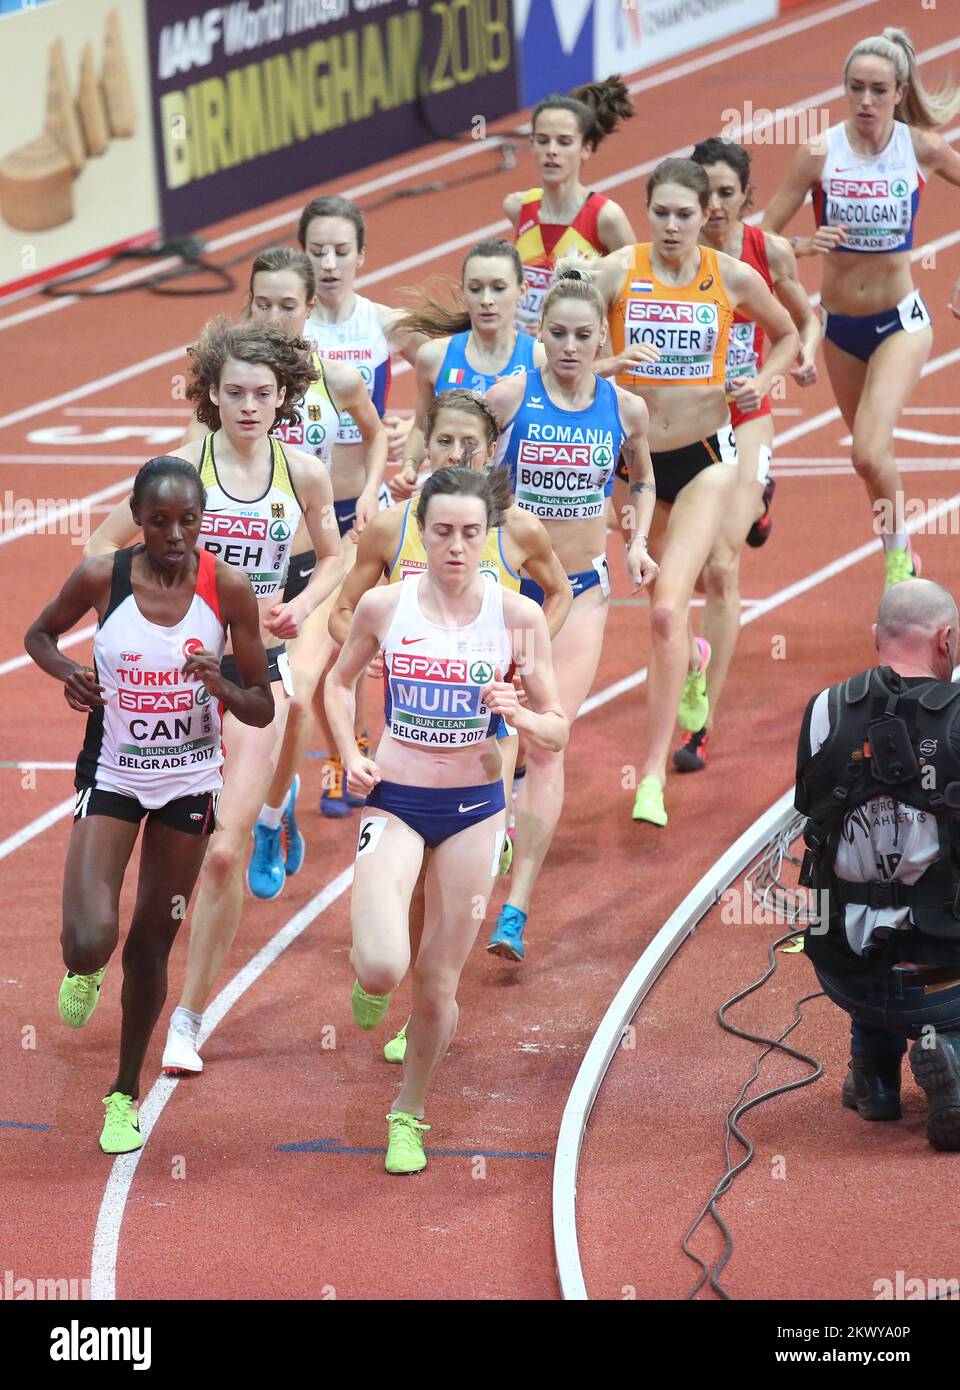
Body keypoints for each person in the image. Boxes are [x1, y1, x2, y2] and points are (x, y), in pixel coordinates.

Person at [85, 319, 342, 1077]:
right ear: (210, 395)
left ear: (284, 396)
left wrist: (307, 601)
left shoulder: (303, 473)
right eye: (234, 392)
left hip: (253, 673)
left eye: (263, 393)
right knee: (143, 833)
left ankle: (188, 1018)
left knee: (222, 853)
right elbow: (100, 549)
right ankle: (93, 944)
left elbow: (337, 554)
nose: (249, 406)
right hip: (168, 676)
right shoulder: (179, 468)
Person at [25, 458, 274, 1152]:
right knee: (88, 940)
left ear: (202, 521)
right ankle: (85, 965)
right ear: (138, 518)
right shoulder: (103, 578)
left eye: (186, 521)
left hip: (189, 786)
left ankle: (122, 1093)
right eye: (158, 520)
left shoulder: (226, 589)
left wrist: (219, 684)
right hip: (113, 774)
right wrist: (70, 674)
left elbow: (261, 706)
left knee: (151, 944)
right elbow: (38, 635)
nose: (173, 534)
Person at [325, 466, 568, 1173]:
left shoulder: (518, 617)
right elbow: (336, 685)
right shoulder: (383, 606)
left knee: (436, 980)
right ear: (421, 533)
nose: (456, 547)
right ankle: (369, 981)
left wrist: (517, 711)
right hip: (397, 798)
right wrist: (349, 753)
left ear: (487, 536)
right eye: (442, 533)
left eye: (470, 533)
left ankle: (409, 1113)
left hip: (474, 811)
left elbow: (554, 731)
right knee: (380, 966)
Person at [579, 157, 799, 827]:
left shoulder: (730, 277)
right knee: (659, 601)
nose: (672, 226)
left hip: (707, 459)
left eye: (685, 214)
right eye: (661, 214)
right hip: (633, 464)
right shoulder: (616, 271)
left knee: (669, 610)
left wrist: (761, 383)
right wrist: (607, 364)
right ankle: (692, 671)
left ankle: (651, 776)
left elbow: (789, 331)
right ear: (647, 214)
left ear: (707, 214)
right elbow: (553, 338)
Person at [180, 248, 387, 895]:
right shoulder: (232, 389)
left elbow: (376, 434)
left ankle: (271, 820)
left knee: (297, 694)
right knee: (247, 708)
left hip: (313, 566)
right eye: (261, 303)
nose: (272, 316)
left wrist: (374, 491)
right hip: (246, 574)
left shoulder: (336, 380)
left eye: (286, 305)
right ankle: (244, 800)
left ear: (310, 309)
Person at [482, 269, 658, 961]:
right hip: (509, 590)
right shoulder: (510, 399)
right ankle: (491, 834)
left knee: (548, 741)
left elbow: (639, 479)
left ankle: (517, 909)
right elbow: (468, 469)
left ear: (602, 339)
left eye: (585, 335)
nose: (571, 346)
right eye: (557, 333)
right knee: (495, 728)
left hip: (581, 590)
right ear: (539, 335)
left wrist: (638, 542)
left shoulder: (627, 409)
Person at [762, 27, 960, 589]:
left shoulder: (919, 147)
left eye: (878, 90)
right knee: (869, 460)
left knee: (870, 451)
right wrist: (802, 263)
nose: (866, 101)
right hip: (840, 327)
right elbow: (766, 240)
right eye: (856, 89)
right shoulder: (820, 153)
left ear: (899, 93)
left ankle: (898, 563)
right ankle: (901, 549)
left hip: (901, 321)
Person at [670, 137, 820, 774]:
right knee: (692, 574)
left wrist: (794, 359)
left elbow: (801, 319)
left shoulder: (767, 251)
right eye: (704, 195)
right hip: (687, 425)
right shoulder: (673, 259)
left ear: (744, 198)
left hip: (747, 415)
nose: (712, 208)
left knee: (724, 567)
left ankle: (700, 719)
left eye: (726, 194)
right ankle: (758, 502)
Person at [796, 579, 960, 1152]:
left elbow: (811, 814)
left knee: (860, 896)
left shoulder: (824, 709)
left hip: (845, 970)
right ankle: (951, 1048)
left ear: (875, 638)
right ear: (948, 640)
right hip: (942, 979)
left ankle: (875, 1071)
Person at [297, 194, 428, 813]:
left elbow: (449, 367)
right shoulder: (287, 327)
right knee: (319, 647)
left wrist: (412, 431)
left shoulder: (383, 322)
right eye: (316, 251)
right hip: (305, 514)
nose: (328, 263)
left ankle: (385, 747)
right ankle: (338, 750)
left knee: (368, 636)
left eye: (340, 251)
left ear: (361, 256)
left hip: (365, 509)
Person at [390, 238, 545, 495]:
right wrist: (409, 468)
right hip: (452, 505)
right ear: (463, 291)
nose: (486, 300)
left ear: (522, 290)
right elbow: (420, 426)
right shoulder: (434, 357)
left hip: (515, 509)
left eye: (498, 288)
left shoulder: (540, 360)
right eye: (475, 289)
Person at [505, 78, 637, 336]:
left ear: (586, 148)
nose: (551, 151)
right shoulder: (517, 207)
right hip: (525, 359)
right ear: (531, 144)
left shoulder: (606, 218)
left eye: (564, 142)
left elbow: (634, 295)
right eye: (542, 140)